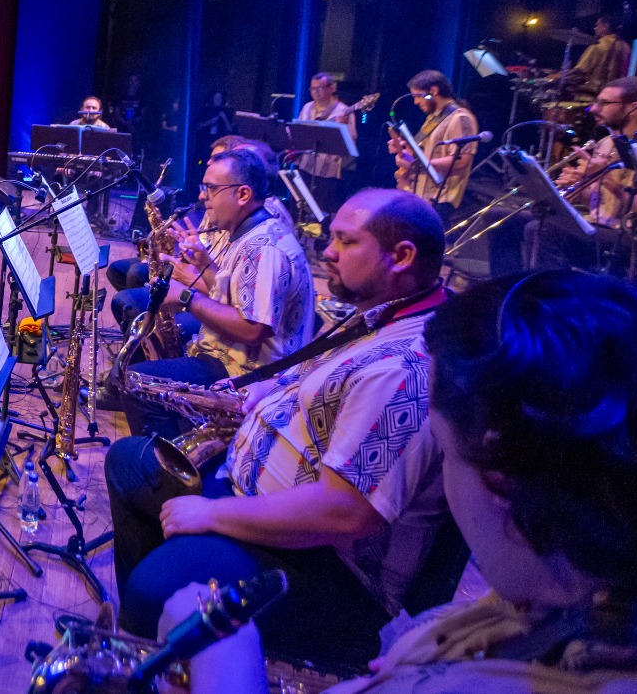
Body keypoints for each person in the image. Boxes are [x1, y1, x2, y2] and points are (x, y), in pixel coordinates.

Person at [169, 269, 637, 694]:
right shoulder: (583, 591)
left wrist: (224, 656)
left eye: (446, 454)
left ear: (500, 479)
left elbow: (346, 512)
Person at [107, 189, 451, 666]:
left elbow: (345, 514)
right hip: (258, 498)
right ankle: (165, 647)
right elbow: (314, 373)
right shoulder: (380, 314)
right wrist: (262, 392)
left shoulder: (405, 367)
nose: (327, 252)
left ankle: (157, 634)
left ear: (402, 256)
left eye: (346, 243)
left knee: (153, 592)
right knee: (127, 463)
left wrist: (209, 516)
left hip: (322, 568)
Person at [124, 148, 313, 386]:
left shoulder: (264, 248)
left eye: (210, 188)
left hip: (251, 374)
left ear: (243, 194)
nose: (203, 197)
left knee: (134, 380)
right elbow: (236, 299)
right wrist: (207, 266)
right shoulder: (248, 232)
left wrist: (185, 296)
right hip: (229, 355)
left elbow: (253, 331)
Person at [522, 76, 637, 273]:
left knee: (541, 230)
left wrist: (608, 180)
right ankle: (502, 295)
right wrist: (581, 185)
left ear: (634, 107)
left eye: (604, 103)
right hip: (601, 228)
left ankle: (550, 299)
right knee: (511, 220)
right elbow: (601, 206)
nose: (593, 109)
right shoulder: (606, 143)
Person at [388, 70, 479, 223]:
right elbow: (423, 154)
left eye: (418, 96)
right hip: (420, 195)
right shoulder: (433, 118)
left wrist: (417, 164)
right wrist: (403, 147)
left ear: (433, 91)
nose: (415, 102)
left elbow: (462, 161)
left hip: (439, 199)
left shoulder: (460, 118)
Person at [297, 72, 356, 213]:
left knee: (322, 214)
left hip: (327, 172)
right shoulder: (307, 107)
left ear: (331, 88)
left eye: (320, 88)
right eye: (312, 88)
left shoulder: (344, 112)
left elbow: (350, 144)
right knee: (300, 212)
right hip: (305, 167)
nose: (315, 92)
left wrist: (342, 128)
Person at [568, 13, 632, 98]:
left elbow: (579, 72)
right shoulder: (626, 47)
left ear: (605, 27)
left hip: (593, 96)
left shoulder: (597, 45)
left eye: (597, 26)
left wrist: (560, 77)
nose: (595, 29)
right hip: (617, 97)